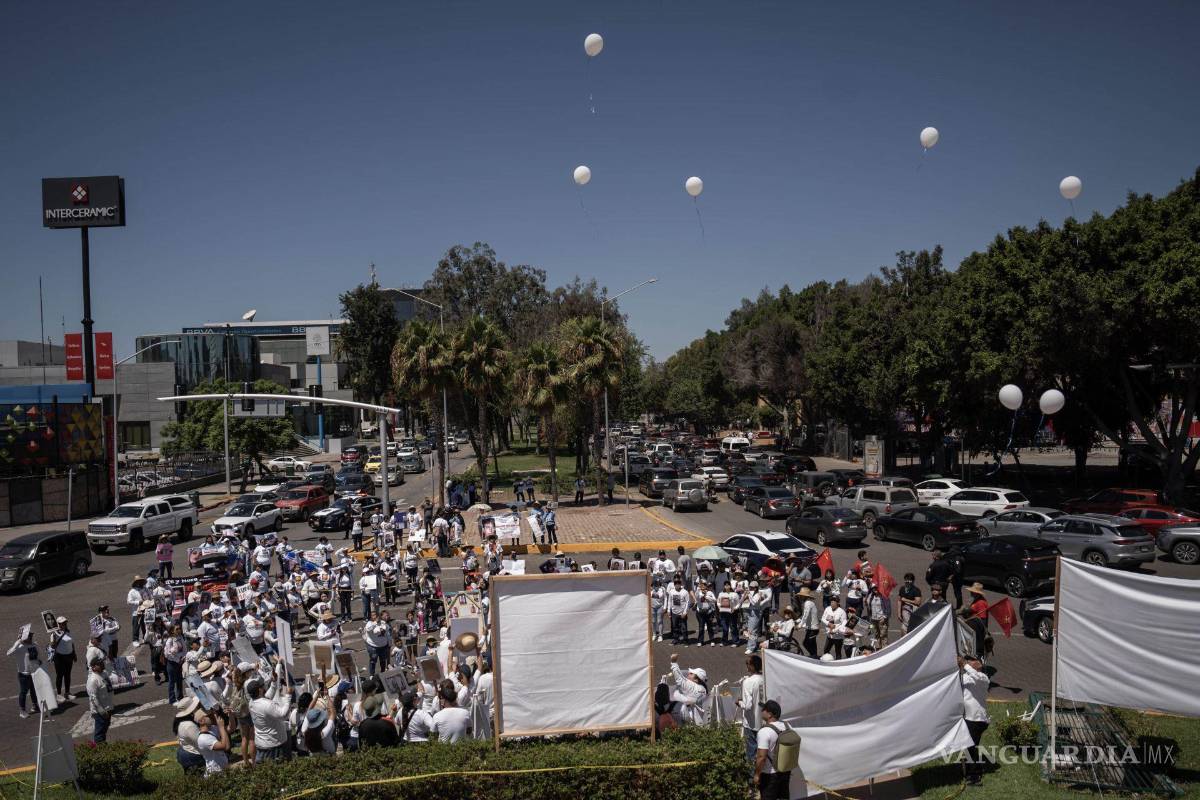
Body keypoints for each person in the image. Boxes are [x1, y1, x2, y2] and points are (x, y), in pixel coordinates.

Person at [755, 700, 795, 800]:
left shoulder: (764, 732)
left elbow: (761, 757)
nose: (761, 711)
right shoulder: (787, 726)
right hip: (785, 771)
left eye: (763, 709)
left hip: (769, 775)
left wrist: (756, 775)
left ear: (769, 714)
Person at [960, 655, 990, 784]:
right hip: (967, 717)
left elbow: (976, 677)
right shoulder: (965, 677)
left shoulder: (983, 678)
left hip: (977, 719)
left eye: (971, 660)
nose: (969, 662)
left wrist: (963, 664)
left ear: (979, 664)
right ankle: (974, 768)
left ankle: (974, 776)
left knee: (970, 746)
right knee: (970, 746)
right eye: (968, 660)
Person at [249, 678, 292, 762]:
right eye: (261, 686)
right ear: (259, 690)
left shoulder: (251, 702)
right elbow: (283, 715)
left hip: (262, 744)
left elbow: (267, 696)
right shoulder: (267, 705)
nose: (263, 687)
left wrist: (273, 682)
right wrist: (288, 696)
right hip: (274, 746)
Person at [8, 626, 41, 718]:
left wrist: (38, 661)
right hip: (23, 674)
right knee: (23, 692)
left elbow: (37, 656)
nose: (31, 637)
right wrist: (17, 643)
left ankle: (35, 706)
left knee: (34, 690)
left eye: (31, 635)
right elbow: (8, 653)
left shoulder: (34, 645)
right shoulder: (20, 646)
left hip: (34, 673)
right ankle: (22, 711)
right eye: (29, 636)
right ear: (24, 636)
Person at [737, 654, 764, 763]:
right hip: (763, 720)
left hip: (751, 722)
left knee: (751, 752)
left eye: (747, 664)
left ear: (752, 666)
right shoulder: (764, 679)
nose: (746, 666)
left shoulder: (748, 682)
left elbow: (747, 705)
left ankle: (751, 776)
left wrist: (739, 702)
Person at [667, 654, 708, 725]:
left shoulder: (692, 687)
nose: (688, 674)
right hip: (699, 722)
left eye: (691, 674)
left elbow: (680, 679)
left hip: (689, 721)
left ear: (696, 680)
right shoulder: (703, 689)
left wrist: (674, 662)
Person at [173, 697, 205, 774]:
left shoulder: (181, 721)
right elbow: (201, 743)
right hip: (192, 756)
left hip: (184, 751)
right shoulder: (189, 726)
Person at [86, 657, 114, 743]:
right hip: (100, 711)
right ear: (93, 667)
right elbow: (93, 697)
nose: (102, 665)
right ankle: (99, 750)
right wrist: (101, 711)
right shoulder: (92, 680)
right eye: (99, 664)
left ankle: (103, 747)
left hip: (108, 707)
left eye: (102, 663)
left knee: (104, 729)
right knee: (100, 732)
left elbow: (110, 669)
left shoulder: (103, 674)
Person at [194, 710, 231, 776]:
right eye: (208, 716)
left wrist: (231, 715)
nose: (212, 716)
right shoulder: (203, 738)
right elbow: (223, 746)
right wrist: (221, 728)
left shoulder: (212, 728)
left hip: (222, 768)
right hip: (215, 773)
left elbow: (231, 728)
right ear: (201, 721)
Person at [49, 617, 77, 701]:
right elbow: (53, 646)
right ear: (58, 624)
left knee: (67, 675)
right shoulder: (54, 634)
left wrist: (74, 654)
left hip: (69, 656)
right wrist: (53, 639)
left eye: (65, 623)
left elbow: (72, 643)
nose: (64, 624)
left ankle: (67, 693)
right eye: (62, 623)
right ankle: (58, 694)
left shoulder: (68, 632)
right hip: (59, 657)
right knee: (60, 676)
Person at [964, 583, 990, 659]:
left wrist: (983, 632)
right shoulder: (975, 600)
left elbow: (983, 619)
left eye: (972, 592)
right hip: (973, 627)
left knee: (978, 647)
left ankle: (978, 659)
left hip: (978, 629)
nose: (971, 592)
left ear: (977, 593)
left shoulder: (981, 603)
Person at [796, 587, 820, 658]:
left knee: (806, 643)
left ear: (804, 596)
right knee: (812, 643)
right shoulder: (809, 602)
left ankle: (814, 656)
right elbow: (805, 616)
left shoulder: (807, 603)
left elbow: (805, 615)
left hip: (813, 628)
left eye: (801, 596)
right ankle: (814, 656)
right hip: (812, 627)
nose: (799, 597)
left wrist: (800, 625)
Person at [666, 576, 691, 644]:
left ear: (681, 583)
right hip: (674, 613)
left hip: (682, 613)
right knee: (675, 627)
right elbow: (669, 601)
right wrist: (668, 610)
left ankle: (685, 640)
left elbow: (688, 602)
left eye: (679, 582)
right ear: (674, 584)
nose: (677, 584)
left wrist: (685, 612)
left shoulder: (685, 592)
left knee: (684, 628)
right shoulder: (671, 592)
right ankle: (676, 639)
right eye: (676, 583)